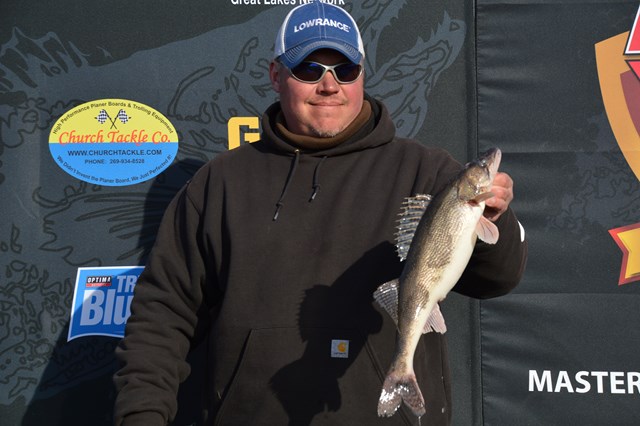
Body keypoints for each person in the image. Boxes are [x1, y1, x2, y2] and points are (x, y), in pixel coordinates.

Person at [113, 1, 528, 425]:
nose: (329, 85)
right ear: (276, 75)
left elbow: (498, 278)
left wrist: (495, 221)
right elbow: (162, 316)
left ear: (362, 74)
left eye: (345, 70)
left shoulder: (427, 172)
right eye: (309, 69)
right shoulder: (220, 183)